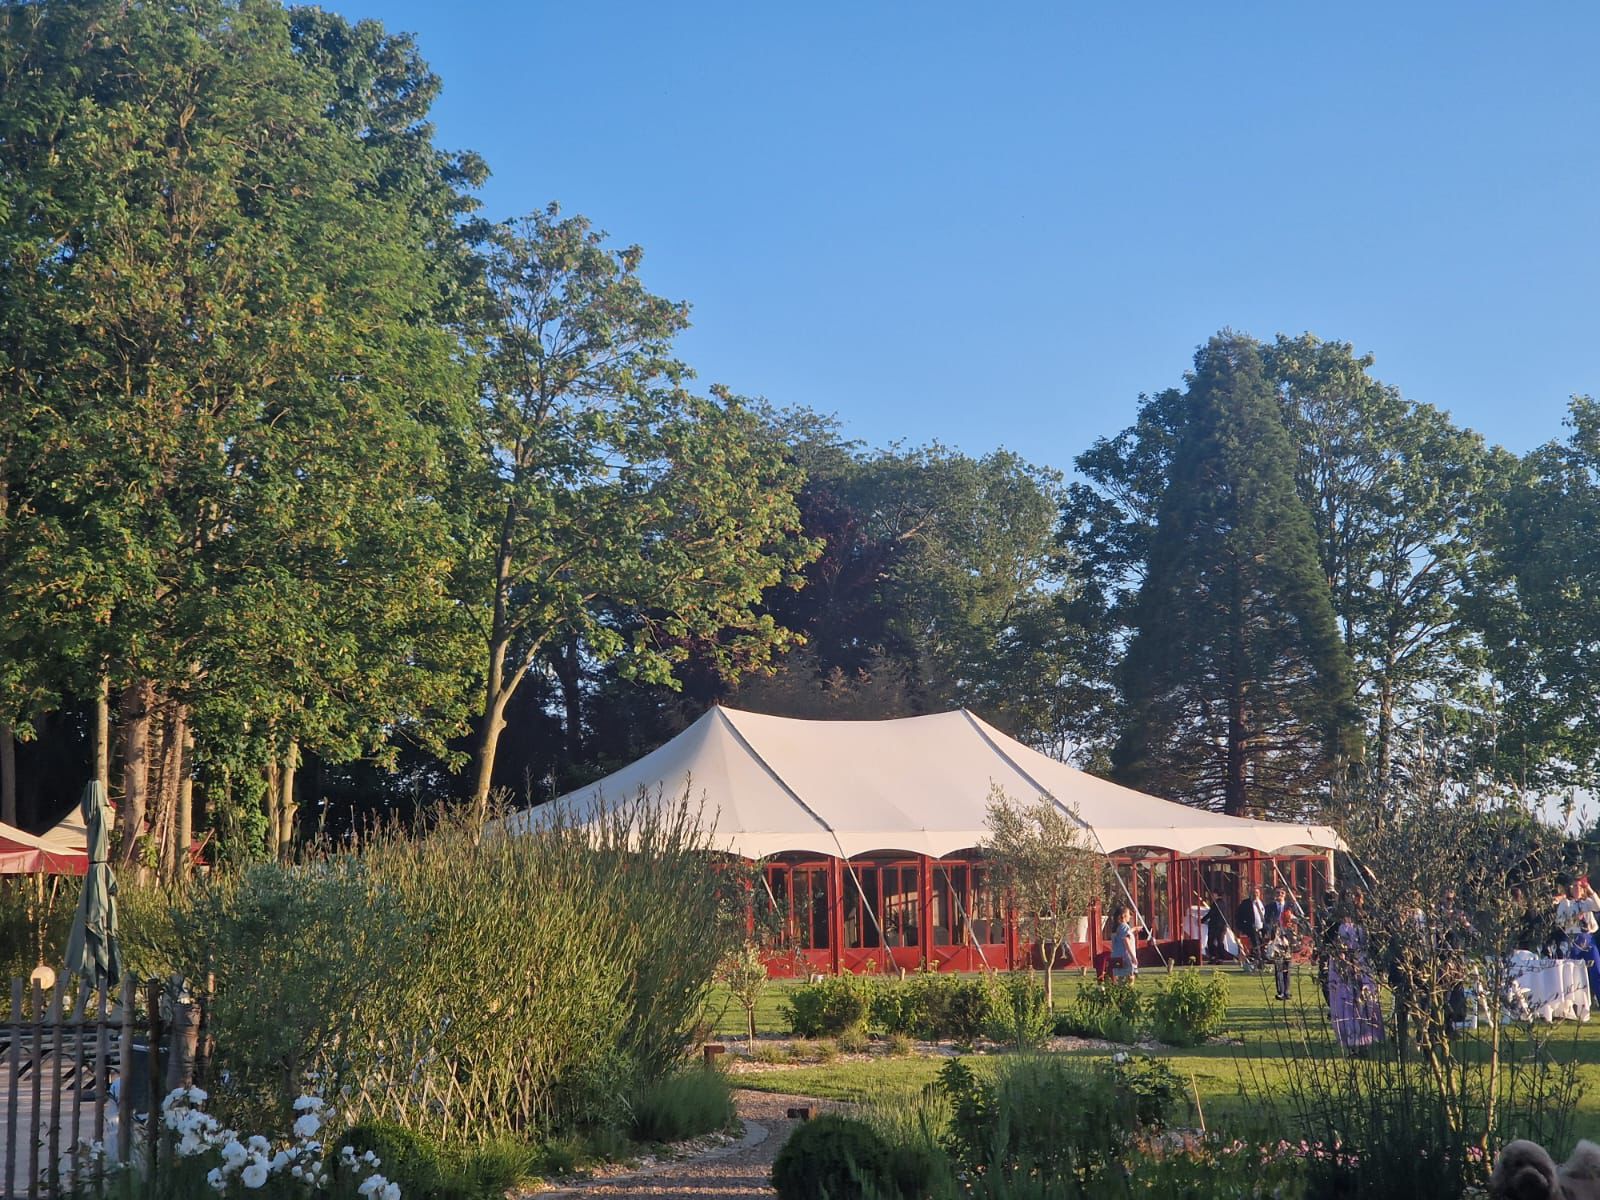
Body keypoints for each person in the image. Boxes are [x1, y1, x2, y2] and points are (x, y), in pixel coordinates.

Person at [1328, 897, 1384, 1053]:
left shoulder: (1363, 924)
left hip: (1361, 965)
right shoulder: (1339, 926)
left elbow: (1372, 944)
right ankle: (1354, 1040)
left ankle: (1364, 1038)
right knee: (1350, 1003)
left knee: (1363, 1001)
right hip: (1347, 967)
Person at [1554, 876, 1600, 999]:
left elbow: (1598, 906)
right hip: (1573, 938)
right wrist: (1573, 918)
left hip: (1588, 938)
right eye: (1574, 886)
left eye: (1580, 886)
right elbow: (1559, 922)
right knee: (1572, 971)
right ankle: (1572, 1001)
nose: (1577, 889)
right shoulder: (1566, 904)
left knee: (1597, 969)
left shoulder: (1587, 903)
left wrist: (1589, 888)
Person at [1236, 885, 1266, 971]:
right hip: (1251, 928)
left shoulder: (1260, 903)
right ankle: (1260, 963)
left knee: (1261, 945)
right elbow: (1238, 916)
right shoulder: (1245, 903)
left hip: (1261, 928)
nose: (1255, 895)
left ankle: (1257, 961)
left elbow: (1263, 915)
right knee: (1256, 944)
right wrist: (1242, 926)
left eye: (1257, 893)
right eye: (1253, 893)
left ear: (1259, 894)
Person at [1109, 904, 1139, 983]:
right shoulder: (1125, 926)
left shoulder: (1116, 928)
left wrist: (1134, 929)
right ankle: (1128, 993)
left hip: (1116, 957)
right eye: (1129, 914)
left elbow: (1122, 935)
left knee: (1120, 980)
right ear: (1124, 916)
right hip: (1125, 957)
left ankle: (1121, 994)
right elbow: (1125, 939)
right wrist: (1133, 956)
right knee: (1130, 977)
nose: (1130, 916)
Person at [1203, 895, 1229, 965]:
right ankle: (1220, 957)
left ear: (1215, 894)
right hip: (1223, 925)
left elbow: (1211, 913)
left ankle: (1214, 956)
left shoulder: (1216, 904)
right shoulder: (1224, 903)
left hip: (1215, 925)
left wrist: (1202, 920)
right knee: (1220, 941)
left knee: (1211, 941)